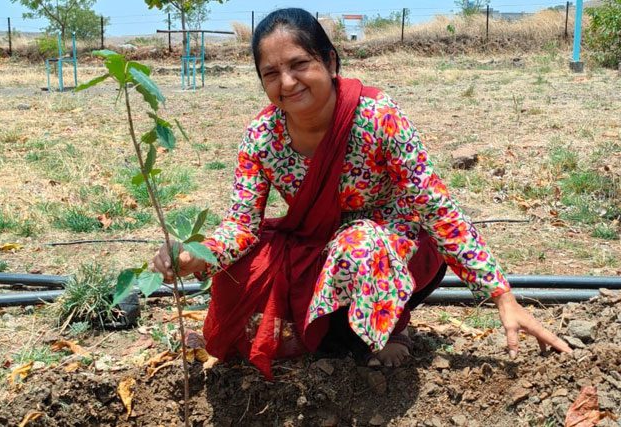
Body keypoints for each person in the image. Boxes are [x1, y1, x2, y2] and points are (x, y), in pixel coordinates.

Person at [152, 8, 571, 379]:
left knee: (360, 241)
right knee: (244, 269)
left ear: (330, 61)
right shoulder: (262, 137)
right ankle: (332, 331)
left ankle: (386, 330)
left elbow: (436, 206)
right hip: (316, 247)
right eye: (271, 73)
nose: (287, 82)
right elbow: (241, 225)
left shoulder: (376, 117)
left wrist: (501, 296)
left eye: (300, 64)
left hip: (395, 249)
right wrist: (193, 255)